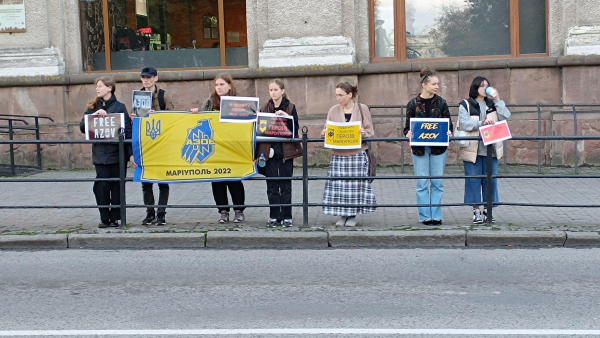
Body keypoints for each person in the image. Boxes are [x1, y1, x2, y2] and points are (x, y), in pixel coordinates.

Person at [191, 73, 246, 224]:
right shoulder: (209, 102)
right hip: (214, 148)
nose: (219, 88)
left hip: (233, 147)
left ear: (229, 85)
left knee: (234, 179)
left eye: (222, 84)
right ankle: (223, 211)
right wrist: (196, 114)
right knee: (217, 179)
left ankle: (239, 210)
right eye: (216, 85)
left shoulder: (238, 102)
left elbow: (247, 124)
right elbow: (201, 121)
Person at [79, 76, 133, 228]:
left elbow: (127, 132)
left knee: (116, 186)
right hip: (101, 154)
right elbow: (83, 127)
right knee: (101, 186)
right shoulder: (92, 107)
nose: (97, 89)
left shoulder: (120, 107)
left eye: (101, 86)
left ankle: (115, 218)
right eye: (97, 86)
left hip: (117, 154)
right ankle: (104, 217)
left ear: (110, 88)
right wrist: (92, 117)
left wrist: (130, 154)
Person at [321, 82, 377, 227]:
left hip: (357, 153)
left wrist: (364, 133)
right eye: (336, 95)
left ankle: (352, 215)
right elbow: (328, 129)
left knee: (354, 185)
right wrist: (325, 133)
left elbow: (370, 130)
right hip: (339, 154)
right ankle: (342, 214)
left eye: (341, 95)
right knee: (340, 185)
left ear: (350, 94)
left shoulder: (361, 108)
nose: (338, 98)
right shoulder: (333, 110)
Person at [458, 76, 511, 224]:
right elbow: (465, 123)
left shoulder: (492, 103)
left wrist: (497, 99)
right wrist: (482, 123)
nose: (485, 88)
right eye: (482, 86)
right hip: (473, 149)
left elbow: (506, 116)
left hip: (491, 149)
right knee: (473, 180)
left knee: (491, 180)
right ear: (475, 87)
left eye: (487, 85)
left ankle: (489, 210)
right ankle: (476, 211)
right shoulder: (466, 104)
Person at [404, 68, 453, 226]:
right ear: (424, 85)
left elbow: (449, 124)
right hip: (419, 148)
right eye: (434, 84)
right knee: (422, 182)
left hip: (438, 148)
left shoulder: (441, 102)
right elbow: (407, 127)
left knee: (437, 181)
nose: (437, 86)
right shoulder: (412, 104)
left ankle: (436, 214)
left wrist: (449, 132)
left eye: (438, 84)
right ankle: (425, 215)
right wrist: (408, 133)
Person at [257, 79, 302, 228]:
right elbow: (260, 130)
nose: (273, 93)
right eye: (271, 90)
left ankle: (287, 216)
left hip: (285, 152)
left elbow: (295, 130)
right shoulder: (265, 107)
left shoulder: (290, 107)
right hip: (269, 153)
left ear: (282, 91)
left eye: (276, 90)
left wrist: (286, 118)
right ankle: (274, 216)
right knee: (271, 186)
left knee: (285, 185)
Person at [135, 66, 175, 226]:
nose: (146, 80)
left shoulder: (163, 95)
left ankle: (161, 214)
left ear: (156, 78)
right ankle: (149, 213)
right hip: (146, 143)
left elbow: (172, 117)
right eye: (144, 77)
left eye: (149, 77)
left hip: (162, 143)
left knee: (163, 182)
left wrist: (157, 114)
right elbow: (136, 121)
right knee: (146, 182)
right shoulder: (138, 96)